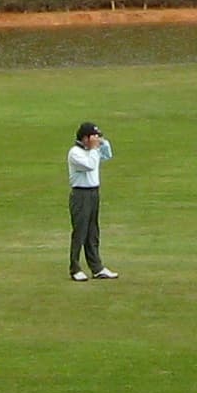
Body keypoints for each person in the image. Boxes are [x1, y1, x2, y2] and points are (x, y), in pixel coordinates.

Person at [67, 120, 117, 281]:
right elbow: (90, 165)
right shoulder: (75, 153)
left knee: (93, 232)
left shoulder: (92, 150)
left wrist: (103, 142)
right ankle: (75, 268)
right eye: (93, 136)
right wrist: (95, 148)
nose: (96, 139)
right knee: (80, 232)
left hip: (94, 193)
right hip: (81, 194)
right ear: (85, 138)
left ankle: (97, 268)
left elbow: (108, 155)